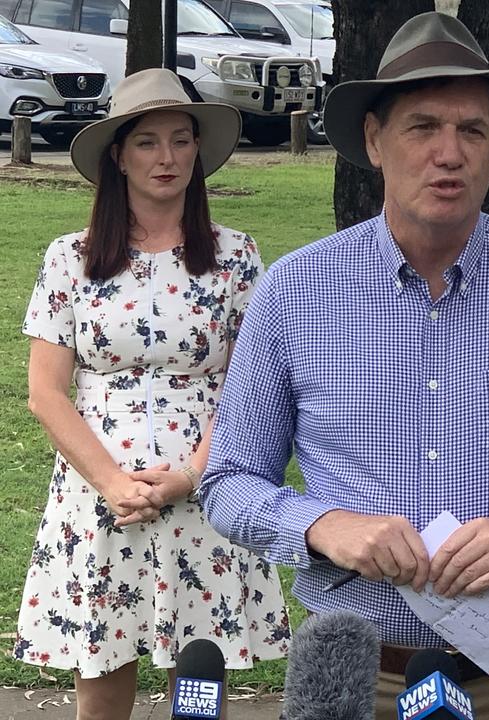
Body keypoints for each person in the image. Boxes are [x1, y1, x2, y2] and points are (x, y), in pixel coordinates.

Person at [199, 13, 489, 719]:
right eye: (423, 128)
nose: (450, 153)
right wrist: (325, 527)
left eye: (472, 130)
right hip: (351, 678)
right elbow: (228, 482)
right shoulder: (295, 293)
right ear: (375, 141)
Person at [12, 68, 290, 720]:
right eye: (147, 142)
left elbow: (249, 387)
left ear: (198, 149)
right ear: (118, 155)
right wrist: (113, 482)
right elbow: (46, 393)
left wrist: (193, 475)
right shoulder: (69, 259)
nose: (166, 158)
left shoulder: (237, 257)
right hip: (101, 499)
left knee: (198, 686)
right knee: (103, 679)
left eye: (180, 140)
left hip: (204, 494)